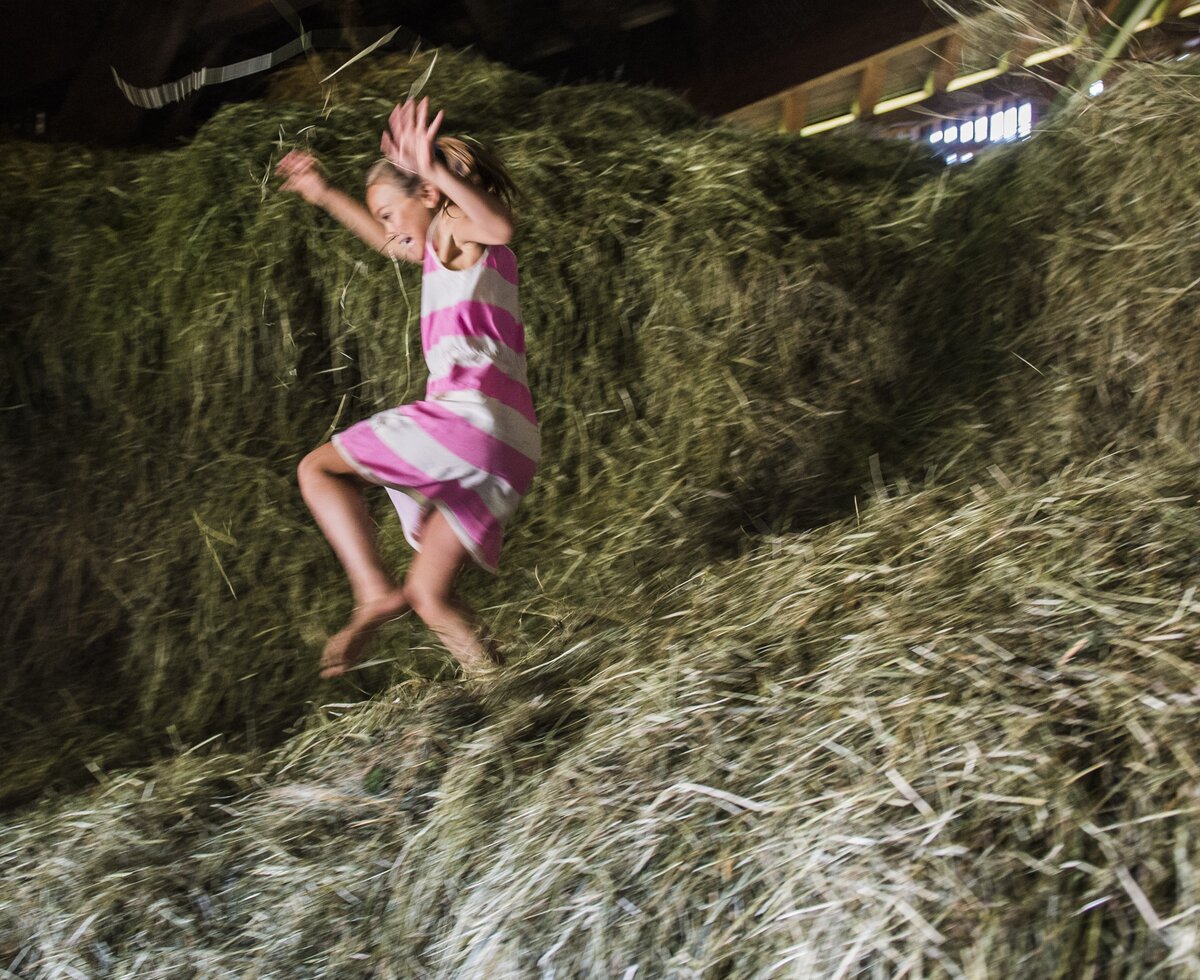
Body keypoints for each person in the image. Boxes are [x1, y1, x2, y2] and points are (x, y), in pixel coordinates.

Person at [276, 98, 539, 679]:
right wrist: (323, 194)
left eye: (392, 213)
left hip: (467, 419)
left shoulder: (454, 228)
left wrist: (436, 171)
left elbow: (499, 225)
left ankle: (371, 590)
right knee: (430, 595)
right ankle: (504, 691)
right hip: (511, 447)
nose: (391, 230)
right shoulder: (437, 248)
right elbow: (387, 242)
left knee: (316, 470)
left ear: (425, 197)